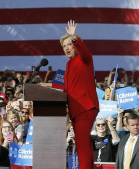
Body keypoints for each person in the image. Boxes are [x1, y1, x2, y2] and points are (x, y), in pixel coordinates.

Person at [41, 20, 99, 169]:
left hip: (85, 107)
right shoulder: (68, 64)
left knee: (81, 145)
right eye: (64, 46)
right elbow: (68, 87)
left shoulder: (84, 59)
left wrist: (74, 38)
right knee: (84, 143)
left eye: (69, 44)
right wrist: (48, 85)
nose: (66, 48)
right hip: (76, 109)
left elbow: (85, 52)